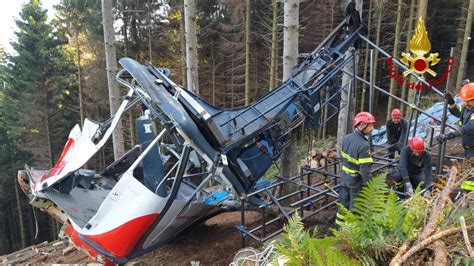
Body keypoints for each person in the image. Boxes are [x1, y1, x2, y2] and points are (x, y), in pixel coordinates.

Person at [340, 112, 375, 209]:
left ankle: (338, 224)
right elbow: (365, 171)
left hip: (344, 178)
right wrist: (370, 186)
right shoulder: (364, 145)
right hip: (355, 182)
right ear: (362, 125)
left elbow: (343, 159)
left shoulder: (346, 138)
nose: (372, 129)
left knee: (343, 207)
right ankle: (351, 224)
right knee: (354, 210)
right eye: (370, 125)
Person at [437, 81, 474, 158]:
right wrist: (451, 102)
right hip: (469, 148)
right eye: (465, 100)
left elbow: (469, 127)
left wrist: (449, 135)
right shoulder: (467, 107)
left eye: (468, 101)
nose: (466, 103)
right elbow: (458, 112)